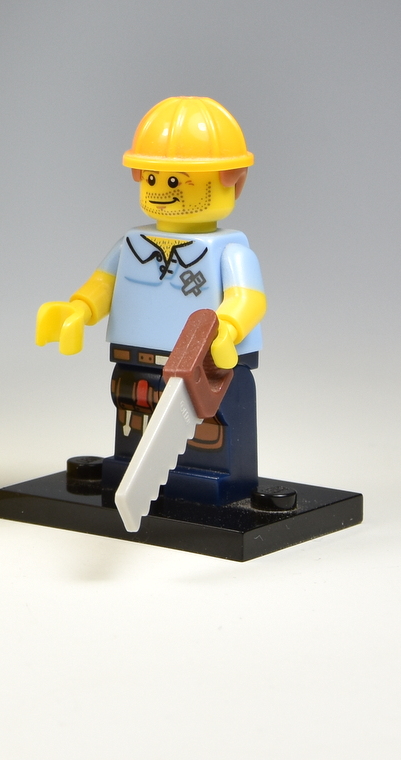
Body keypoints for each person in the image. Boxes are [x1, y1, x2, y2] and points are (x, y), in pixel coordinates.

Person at [35, 96, 266, 505]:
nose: (161, 191)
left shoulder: (229, 252)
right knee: (132, 409)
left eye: (176, 182)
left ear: (233, 180)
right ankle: (130, 471)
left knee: (212, 422)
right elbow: (104, 284)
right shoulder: (134, 245)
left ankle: (211, 477)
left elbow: (248, 298)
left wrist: (228, 328)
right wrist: (79, 309)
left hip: (207, 363)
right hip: (136, 358)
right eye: (153, 179)